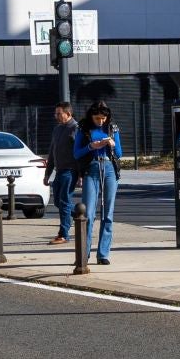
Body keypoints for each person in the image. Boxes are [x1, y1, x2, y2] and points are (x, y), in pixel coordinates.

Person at [73, 101, 120, 264]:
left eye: (103, 118)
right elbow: (77, 153)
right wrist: (91, 146)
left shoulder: (112, 128)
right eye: (97, 118)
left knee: (108, 213)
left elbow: (119, 153)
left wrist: (112, 145)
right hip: (91, 168)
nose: (101, 121)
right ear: (91, 116)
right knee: (88, 213)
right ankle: (83, 253)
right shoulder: (83, 128)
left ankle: (103, 254)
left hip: (109, 168)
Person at [43, 102, 78, 244]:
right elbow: (52, 153)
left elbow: (80, 154)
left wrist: (81, 174)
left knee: (63, 202)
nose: (56, 116)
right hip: (59, 171)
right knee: (58, 201)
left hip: (71, 171)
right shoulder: (57, 130)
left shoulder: (75, 129)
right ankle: (81, 216)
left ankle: (63, 234)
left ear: (68, 114)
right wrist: (47, 174)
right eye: (55, 113)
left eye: (59, 113)